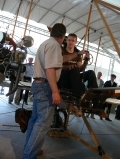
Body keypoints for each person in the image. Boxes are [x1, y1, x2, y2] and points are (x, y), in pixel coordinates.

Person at [22, 23, 66, 159]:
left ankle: (30, 149)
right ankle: (29, 155)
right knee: (43, 123)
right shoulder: (55, 46)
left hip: (38, 84)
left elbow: (56, 63)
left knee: (35, 120)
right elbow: (50, 69)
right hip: (46, 87)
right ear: (63, 37)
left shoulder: (46, 43)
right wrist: (55, 91)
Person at [58, 33, 98, 99]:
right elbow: (59, 63)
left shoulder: (78, 55)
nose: (70, 42)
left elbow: (80, 69)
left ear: (75, 42)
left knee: (91, 73)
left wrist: (85, 61)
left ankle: (95, 95)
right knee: (74, 68)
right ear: (66, 41)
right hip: (64, 78)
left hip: (75, 77)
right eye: (69, 40)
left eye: (73, 41)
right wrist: (68, 67)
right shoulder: (62, 51)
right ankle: (80, 94)